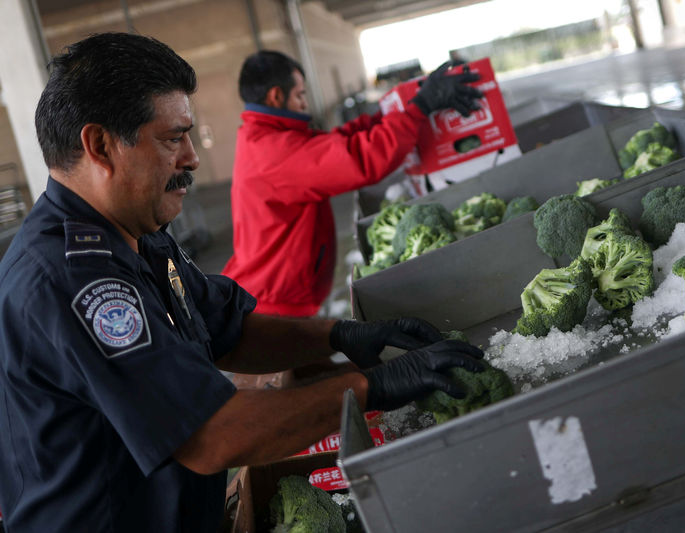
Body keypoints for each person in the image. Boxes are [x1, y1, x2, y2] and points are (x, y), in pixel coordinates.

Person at [0, 33, 485, 533]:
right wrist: (375, 386)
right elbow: (213, 437)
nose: (191, 157)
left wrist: (340, 335)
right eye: (172, 138)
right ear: (100, 145)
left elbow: (228, 329)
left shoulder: (135, 232)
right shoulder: (70, 279)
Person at [221, 50, 483, 318]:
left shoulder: (262, 137)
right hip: (271, 303)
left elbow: (333, 144)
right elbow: (360, 158)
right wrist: (420, 108)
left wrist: (384, 114)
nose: (305, 104)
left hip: (272, 292)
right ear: (275, 96)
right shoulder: (273, 152)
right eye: (300, 95)